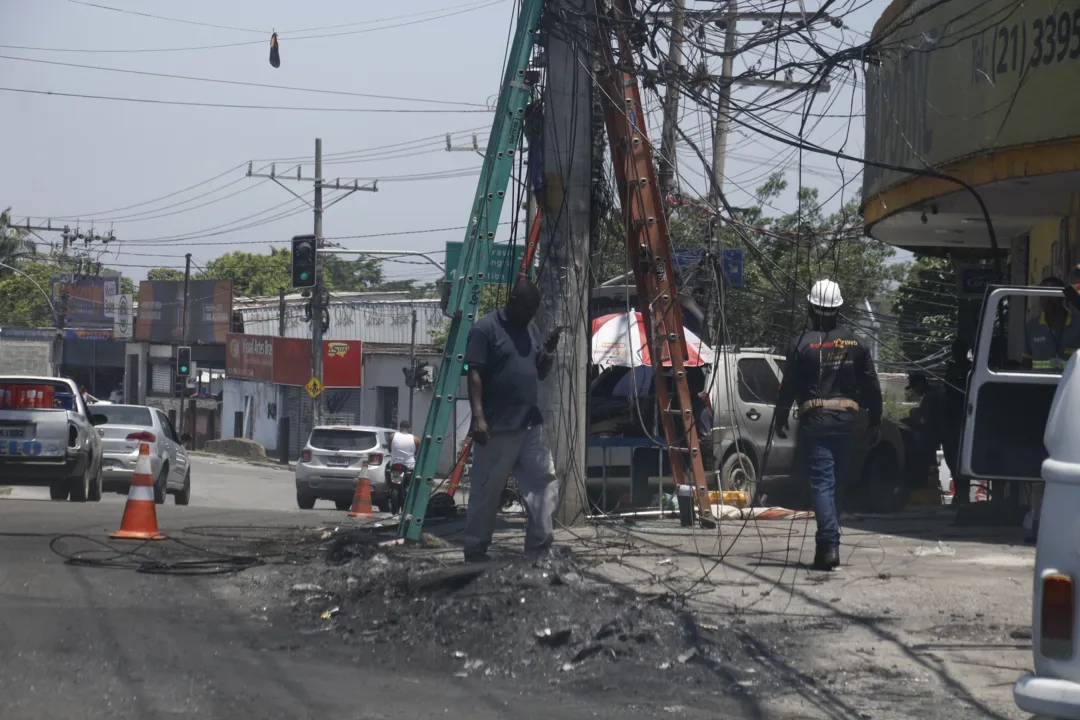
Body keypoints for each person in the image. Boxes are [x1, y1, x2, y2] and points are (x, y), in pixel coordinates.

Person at [773, 279, 882, 571]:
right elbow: (872, 386)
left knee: (822, 484)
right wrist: (875, 421)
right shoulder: (856, 344)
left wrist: (780, 417)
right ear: (838, 310)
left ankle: (830, 544)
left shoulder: (800, 343)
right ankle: (825, 549)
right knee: (835, 485)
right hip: (846, 423)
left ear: (811, 307)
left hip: (816, 422)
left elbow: (789, 386)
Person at [463, 279, 562, 562]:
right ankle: (475, 550)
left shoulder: (529, 329)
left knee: (543, 483)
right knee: (487, 490)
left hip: (530, 422)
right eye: (528, 308)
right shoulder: (485, 329)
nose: (532, 314)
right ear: (513, 301)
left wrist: (550, 351)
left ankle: (539, 550)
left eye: (535, 309)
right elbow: (474, 374)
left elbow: (540, 371)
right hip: (497, 426)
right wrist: (478, 417)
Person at [1022, 276, 1080, 540]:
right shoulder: (1032, 325)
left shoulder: (1078, 323)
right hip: (1038, 402)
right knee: (1038, 463)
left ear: (1061, 298)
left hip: (1071, 400)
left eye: (1048, 296)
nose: (1042, 301)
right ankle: (1036, 520)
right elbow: (1025, 364)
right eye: (1040, 296)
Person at [942, 339, 971, 504]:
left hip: (964, 421)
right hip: (950, 420)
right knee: (952, 459)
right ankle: (960, 494)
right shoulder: (951, 368)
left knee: (962, 459)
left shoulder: (969, 368)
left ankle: (964, 495)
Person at [387, 420, 420, 484]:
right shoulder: (416, 439)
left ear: (400, 427)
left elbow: (389, 450)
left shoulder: (392, 436)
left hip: (394, 463)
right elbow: (416, 452)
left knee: (387, 469)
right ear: (409, 428)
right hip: (409, 465)